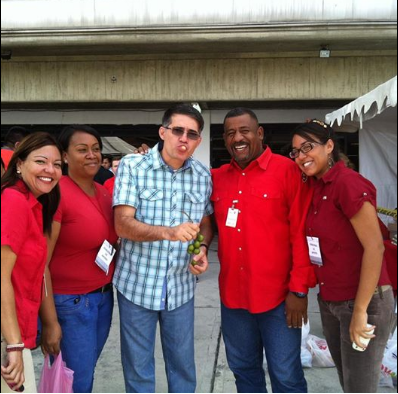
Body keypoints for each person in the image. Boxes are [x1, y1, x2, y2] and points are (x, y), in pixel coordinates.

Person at [211, 108, 316, 393]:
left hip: (280, 300)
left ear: (259, 134)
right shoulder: (217, 178)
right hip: (234, 299)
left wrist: (299, 291)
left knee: (286, 375)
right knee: (244, 372)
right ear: (224, 139)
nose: (238, 138)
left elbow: (301, 234)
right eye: (231, 133)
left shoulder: (288, 171)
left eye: (244, 130)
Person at [113, 104, 214, 393]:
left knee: (182, 366)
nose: (184, 138)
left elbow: (206, 223)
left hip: (181, 287)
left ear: (198, 141)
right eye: (177, 130)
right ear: (163, 132)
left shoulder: (202, 176)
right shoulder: (133, 166)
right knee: (138, 369)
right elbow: (122, 224)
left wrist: (202, 248)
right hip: (137, 286)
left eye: (192, 134)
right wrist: (168, 232)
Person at [290, 119, 394, 393]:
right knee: (349, 384)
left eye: (308, 147)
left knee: (359, 388)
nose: (301, 156)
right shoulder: (316, 187)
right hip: (331, 300)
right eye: (296, 151)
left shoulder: (347, 183)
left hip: (364, 302)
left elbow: (375, 247)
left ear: (329, 146)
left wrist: (360, 312)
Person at [40, 125, 118, 393]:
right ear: (64, 155)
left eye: (96, 149)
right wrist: (49, 323)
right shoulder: (56, 193)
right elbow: (41, 263)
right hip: (70, 304)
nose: (92, 155)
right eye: (82, 150)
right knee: (75, 381)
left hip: (103, 298)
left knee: (82, 375)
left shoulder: (105, 193)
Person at [1, 132, 63, 393]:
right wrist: (14, 345)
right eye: (41, 161)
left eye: (57, 164)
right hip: (7, 335)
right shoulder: (14, 201)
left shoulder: (33, 205)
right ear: (19, 164)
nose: (50, 169)